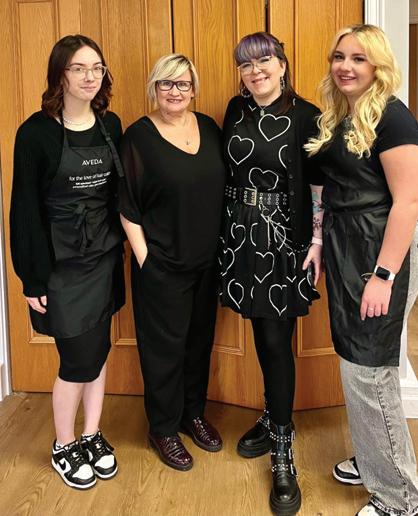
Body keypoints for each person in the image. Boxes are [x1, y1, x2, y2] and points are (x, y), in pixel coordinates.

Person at [305, 24, 418, 516]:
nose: (345, 66)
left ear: (378, 65)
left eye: (358, 58)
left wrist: (384, 276)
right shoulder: (339, 115)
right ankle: (376, 457)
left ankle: (399, 497)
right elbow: (327, 187)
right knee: (356, 365)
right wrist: (317, 240)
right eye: (339, 57)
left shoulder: (393, 117)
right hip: (345, 247)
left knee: (369, 371)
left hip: (380, 253)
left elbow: (409, 202)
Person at [10, 35, 125, 490]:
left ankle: (91, 434)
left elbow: (119, 195)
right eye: (79, 68)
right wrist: (31, 278)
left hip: (103, 257)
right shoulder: (35, 133)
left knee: (98, 351)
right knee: (76, 358)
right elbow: (24, 210)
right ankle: (64, 444)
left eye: (96, 68)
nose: (89, 76)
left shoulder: (110, 125)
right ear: (60, 74)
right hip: (60, 265)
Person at [219, 32, 324, 515]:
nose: (255, 70)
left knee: (277, 342)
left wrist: (317, 241)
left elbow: (319, 186)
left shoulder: (306, 115)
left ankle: (283, 451)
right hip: (240, 236)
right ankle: (271, 414)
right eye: (246, 64)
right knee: (262, 336)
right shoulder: (235, 110)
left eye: (264, 61)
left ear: (282, 64)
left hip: (284, 240)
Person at [118, 54, 225, 472]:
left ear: (194, 89)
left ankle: (192, 414)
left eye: (182, 84)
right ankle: (163, 427)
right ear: (154, 89)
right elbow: (127, 206)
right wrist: (146, 261)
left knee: (198, 342)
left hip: (207, 263)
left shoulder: (210, 129)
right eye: (166, 83)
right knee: (163, 351)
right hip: (161, 265)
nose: (174, 91)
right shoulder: (138, 137)